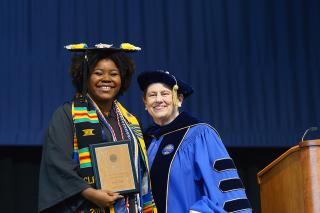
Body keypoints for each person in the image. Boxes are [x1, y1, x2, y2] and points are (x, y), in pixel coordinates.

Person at [38, 43, 157, 213]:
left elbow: (141, 169)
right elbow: (58, 163)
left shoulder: (131, 121)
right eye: (98, 73)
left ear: (122, 78)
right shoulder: (67, 115)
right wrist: (91, 193)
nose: (107, 79)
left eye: (114, 74)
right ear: (85, 77)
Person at [137, 70, 252, 213]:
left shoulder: (200, 135)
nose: (158, 99)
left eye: (165, 93)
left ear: (179, 99)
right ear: (145, 102)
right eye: (152, 95)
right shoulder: (147, 143)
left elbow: (223, 191)